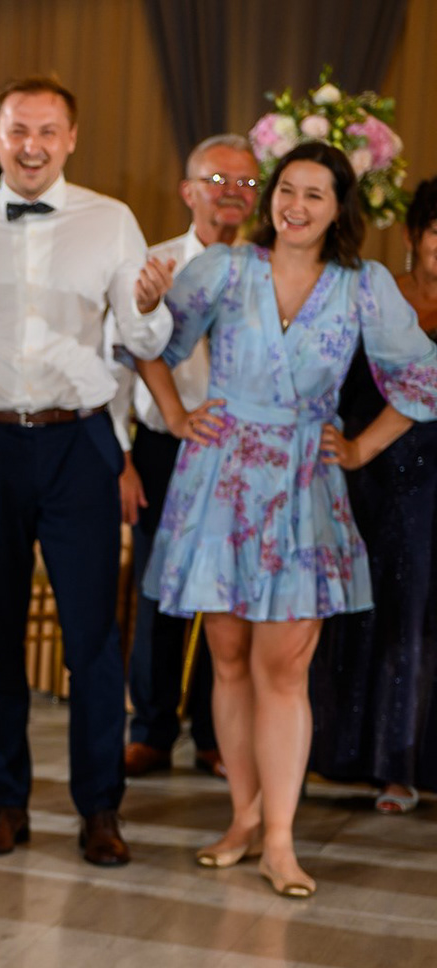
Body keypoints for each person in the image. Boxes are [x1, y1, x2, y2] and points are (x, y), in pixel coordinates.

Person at [137, 142, 437, 897]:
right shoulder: (225, 268)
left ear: (339, 209)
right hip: (221, 479)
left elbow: (422, 377)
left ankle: (279, 840)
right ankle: (242, 818)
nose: (295, 206)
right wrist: (174, 413)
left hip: (305, 486)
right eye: (287, 190)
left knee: (285, 668)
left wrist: (362, 447)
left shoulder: (364, 285)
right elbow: (152, 345)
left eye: (315, 194)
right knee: (228, 658)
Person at [0, 75, 169, 866]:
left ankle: (100, 809)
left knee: (92, 637)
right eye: (18, 129)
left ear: (71, 138)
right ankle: (5, 801)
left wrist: (150, 303)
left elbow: (142, 342)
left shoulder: (111, 221)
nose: (32, 145)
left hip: (79, 442)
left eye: (48, 130)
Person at [109, 136, 257, 782]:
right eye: (218, 179)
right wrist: (121, 457)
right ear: (187, 189)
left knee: (229, 595)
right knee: (160, 588)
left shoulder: (268, 267)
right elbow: (119, 363)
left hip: (243, 453)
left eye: (247, 183)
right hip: (165, 445)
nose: (233, 193)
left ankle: (215, 734)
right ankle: (151, 729)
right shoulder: (154, 264)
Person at [310, 179, 437, 814]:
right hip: (362, 473)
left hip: (430, 480)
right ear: (413, 235)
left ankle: (401, 766)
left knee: (418, 615)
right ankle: (340, 753)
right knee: (357, 607)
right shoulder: (374, 293)